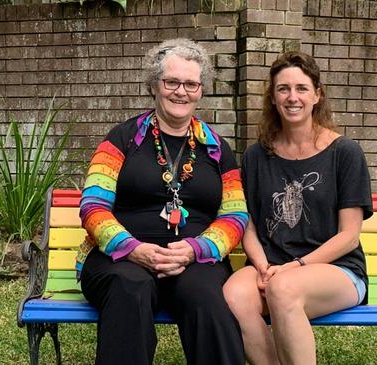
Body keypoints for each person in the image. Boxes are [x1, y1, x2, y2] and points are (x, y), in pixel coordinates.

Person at [77, 38, 248, 365]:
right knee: (131, 287)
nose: (180, 92)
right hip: (120, 260)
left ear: (201, 90)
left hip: (194, 261)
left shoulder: (217, 148)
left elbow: (235, 215)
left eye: (191, 84)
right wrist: (132, 248)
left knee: (207, 295)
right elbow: (93, 206)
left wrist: (196, 249)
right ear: (154, 85)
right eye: (171, 82)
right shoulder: (121, 139)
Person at [223, 51, 373, 365]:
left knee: (283, 289)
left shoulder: (344, 152)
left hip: (339, 271)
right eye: (283, 89)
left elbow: (349, 237)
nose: (293, 97)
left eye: (302, 88)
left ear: (317, 95)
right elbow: (245, 221)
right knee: (234, 294)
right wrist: (263, 266)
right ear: (273, 98)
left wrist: (294, 268)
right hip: (273, 268)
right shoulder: (256, 156)